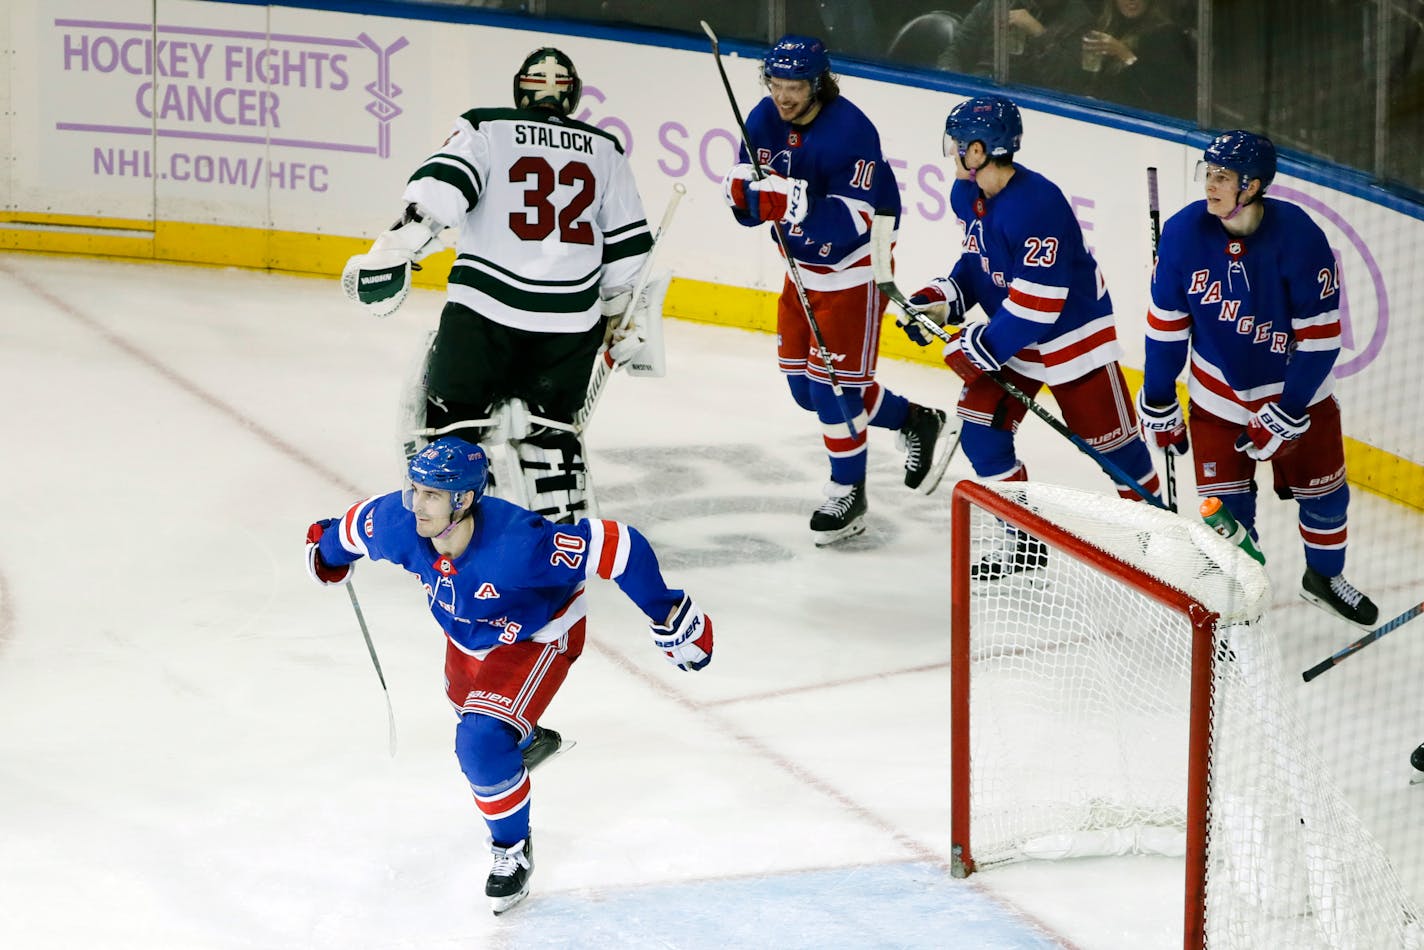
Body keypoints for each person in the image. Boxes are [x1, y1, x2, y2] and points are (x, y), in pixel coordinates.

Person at [304, 437, 714, 914]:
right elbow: (347, 532)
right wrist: (325, 556)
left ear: (465, 499)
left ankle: (510, 849)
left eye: (433, 494)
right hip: (466, 636)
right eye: (415, 488)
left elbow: (621, 547)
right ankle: (524, 741)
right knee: (481, 726)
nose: (417, 504)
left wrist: (668, 613)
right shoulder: (397, 523)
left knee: (478, 740)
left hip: (536, 636)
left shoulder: (521, 546)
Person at [341, 47, 654, 525]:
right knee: (552, 434)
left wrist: (395, 247)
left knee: (453, 421)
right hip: (569, 326)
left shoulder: (486, 126)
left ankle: (453, 528)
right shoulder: (605, 148)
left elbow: (442, 190)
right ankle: (558, 550)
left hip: (483, 314)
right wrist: (619, 316)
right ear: (572, 99)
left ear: (518, 91)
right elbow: (628, 251)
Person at [890, 94, 1162, 578]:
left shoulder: (1039, 205)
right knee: (981, 435)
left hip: (1071, 337)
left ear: (979, 151)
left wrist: (976, 347)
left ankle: (1160, 539)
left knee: (1114, 449)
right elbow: (979, 267)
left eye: (957, 145)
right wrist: (942, 299)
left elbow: (1040, 306)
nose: (951, 153)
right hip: (1010, 333)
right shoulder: (968, 195)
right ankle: (1024, 539)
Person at [1138, 130, 1379, 627]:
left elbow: (1320, 341)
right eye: (1208, 173)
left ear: (1252, 185)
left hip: (1301, 398)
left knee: (1327, 500)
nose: (1211, 184)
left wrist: (1288, 410)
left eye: (1223, 176)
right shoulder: (1184, 234)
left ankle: (1323, 579)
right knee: (1225, 518)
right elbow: (1165, 330)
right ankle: (1238, 607)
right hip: (1218, 403)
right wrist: (1159, 400)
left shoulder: (1300, 237)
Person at [720, 34, 949, 546]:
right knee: (806, 391)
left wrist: (785, 200)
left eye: (795, 86)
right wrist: (749, 197)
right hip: (799, 271)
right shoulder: (760, 120)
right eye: (776, 84)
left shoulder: (851, 131)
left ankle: (849, 494)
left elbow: (848, 224)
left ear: (818, 83)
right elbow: (743, 206)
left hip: (854, 272)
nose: (783, 96)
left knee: (834, 392)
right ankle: (916, 418)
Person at [939, 0, 1095, 94]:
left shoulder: (1080, 20)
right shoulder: (996, 4)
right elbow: (956, 51)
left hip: (1035, 102)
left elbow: (1069, 82)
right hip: (979, 88)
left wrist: (1039, 33)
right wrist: (951, 84)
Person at [1080, 0, 1195, 119]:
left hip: (1142, 121)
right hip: (1103, 115)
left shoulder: (1166, 34)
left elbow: (1163, 94)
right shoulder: (1108, 26)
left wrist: (1125, 55)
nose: (1132, 1)